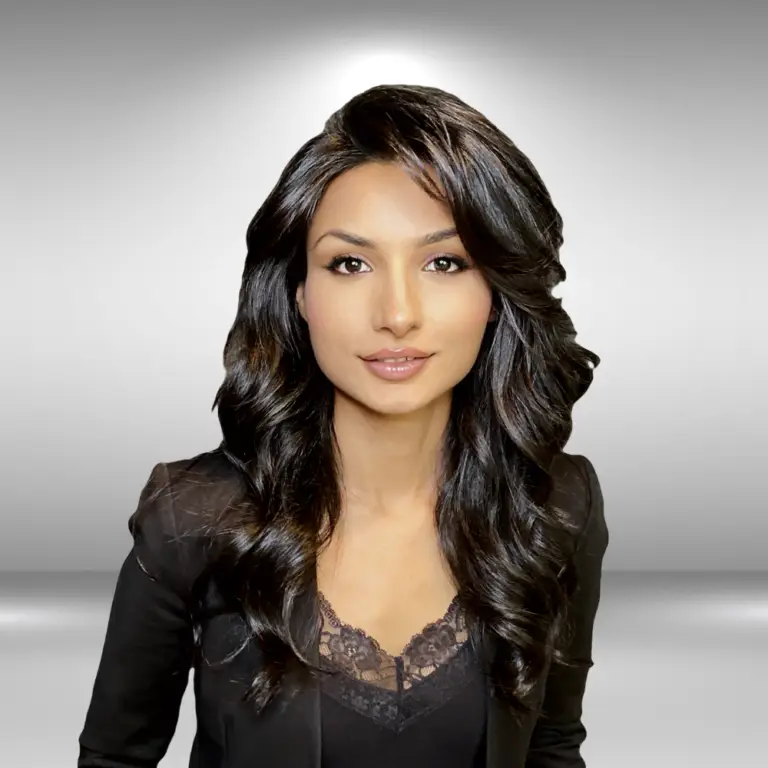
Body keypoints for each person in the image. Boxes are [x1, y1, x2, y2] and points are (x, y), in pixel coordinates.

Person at [77, 83, 609, 768]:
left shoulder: (558, 504)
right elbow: (114, 760)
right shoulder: (192, 517)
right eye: (349, 263)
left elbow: (552, 748)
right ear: (299, 289)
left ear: (495, 292)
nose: (397, 312)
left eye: (444, 262)